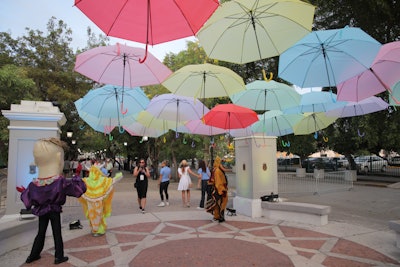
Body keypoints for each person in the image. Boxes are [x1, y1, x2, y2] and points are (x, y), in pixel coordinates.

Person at [18, 138, 87, 265]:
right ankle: (58, 256)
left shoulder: (34, 184)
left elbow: (27, 199)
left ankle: (33, 255)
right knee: (56, 233)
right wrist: (77, 176)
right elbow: (79, 189)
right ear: (58, 157)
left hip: (41, 210)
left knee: (41, 232)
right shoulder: (59, 181)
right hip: (54, 210)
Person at [78, 165, 123, 236]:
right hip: (97, 202)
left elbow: (77, 184)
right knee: (98, 214)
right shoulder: (97, 180)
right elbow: (112, 181)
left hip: (91, 202)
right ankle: (98, 229)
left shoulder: (87, 180)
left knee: (93, 214)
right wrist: (118, 177)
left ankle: (96, 229)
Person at [207, 156, 228, 223]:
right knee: (219, 203)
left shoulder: (217, 169)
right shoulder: (217, 171)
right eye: (221, 162)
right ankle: (218, 217)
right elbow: (218, 182)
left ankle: (219, 216)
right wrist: (221, 190)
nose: (222, 164)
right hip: (220, 190)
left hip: (221, 189)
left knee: (220, 203)